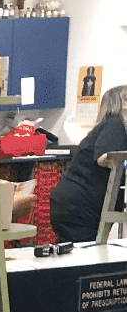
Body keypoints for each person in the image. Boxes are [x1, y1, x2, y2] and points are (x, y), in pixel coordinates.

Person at [49, 84, 127, 243]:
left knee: (79, 251)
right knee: (83, 253)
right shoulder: (115, 124)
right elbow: (104, 157)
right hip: (79, 205)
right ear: (124, 104)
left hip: (73, 202)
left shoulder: (108, 125)